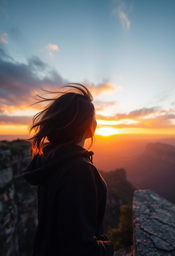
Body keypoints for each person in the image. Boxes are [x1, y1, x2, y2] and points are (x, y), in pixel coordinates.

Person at [16, 83, 114, 256]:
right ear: (85, 125)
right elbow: (80, 249)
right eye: (93, 116)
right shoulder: (79, 171)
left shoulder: (47, 160)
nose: (96, 121)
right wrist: (109, 247)